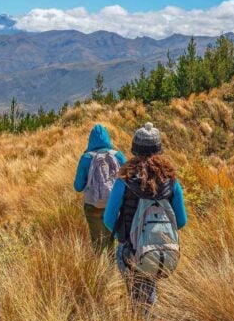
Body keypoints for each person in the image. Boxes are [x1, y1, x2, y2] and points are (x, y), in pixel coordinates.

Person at [104, 122, 187, 309]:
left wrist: (125, 236)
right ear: (159, 150)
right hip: (160, 249)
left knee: (136, 297)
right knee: (148, 292)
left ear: (134, 150)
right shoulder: (171, 182)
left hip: (130, 250)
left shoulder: (124, 182)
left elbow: (108, 219)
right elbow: (181, 221)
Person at [74, 124, 127, 253]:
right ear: (107, 138)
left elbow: (78, 186)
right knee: (112, 241)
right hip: (113, 205)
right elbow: (128, 181)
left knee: (97, 242)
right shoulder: (118, 156)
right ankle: (112, 269)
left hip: (92, 205)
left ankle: (97, 270)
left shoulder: (86, 158)